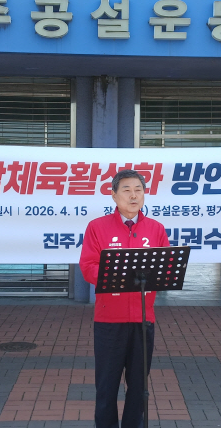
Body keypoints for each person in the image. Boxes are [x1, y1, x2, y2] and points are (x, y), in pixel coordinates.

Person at [79, 169, 170, 428]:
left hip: (143, 319)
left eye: (138, 190)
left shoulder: (156, 229)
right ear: (114, 195)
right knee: (106, 386)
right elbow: (88, 266)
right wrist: (118, 277)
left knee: (139, 387)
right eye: (127, 190)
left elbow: (166, 267)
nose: (133, 196)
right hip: (109, 321)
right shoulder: (97, 227)